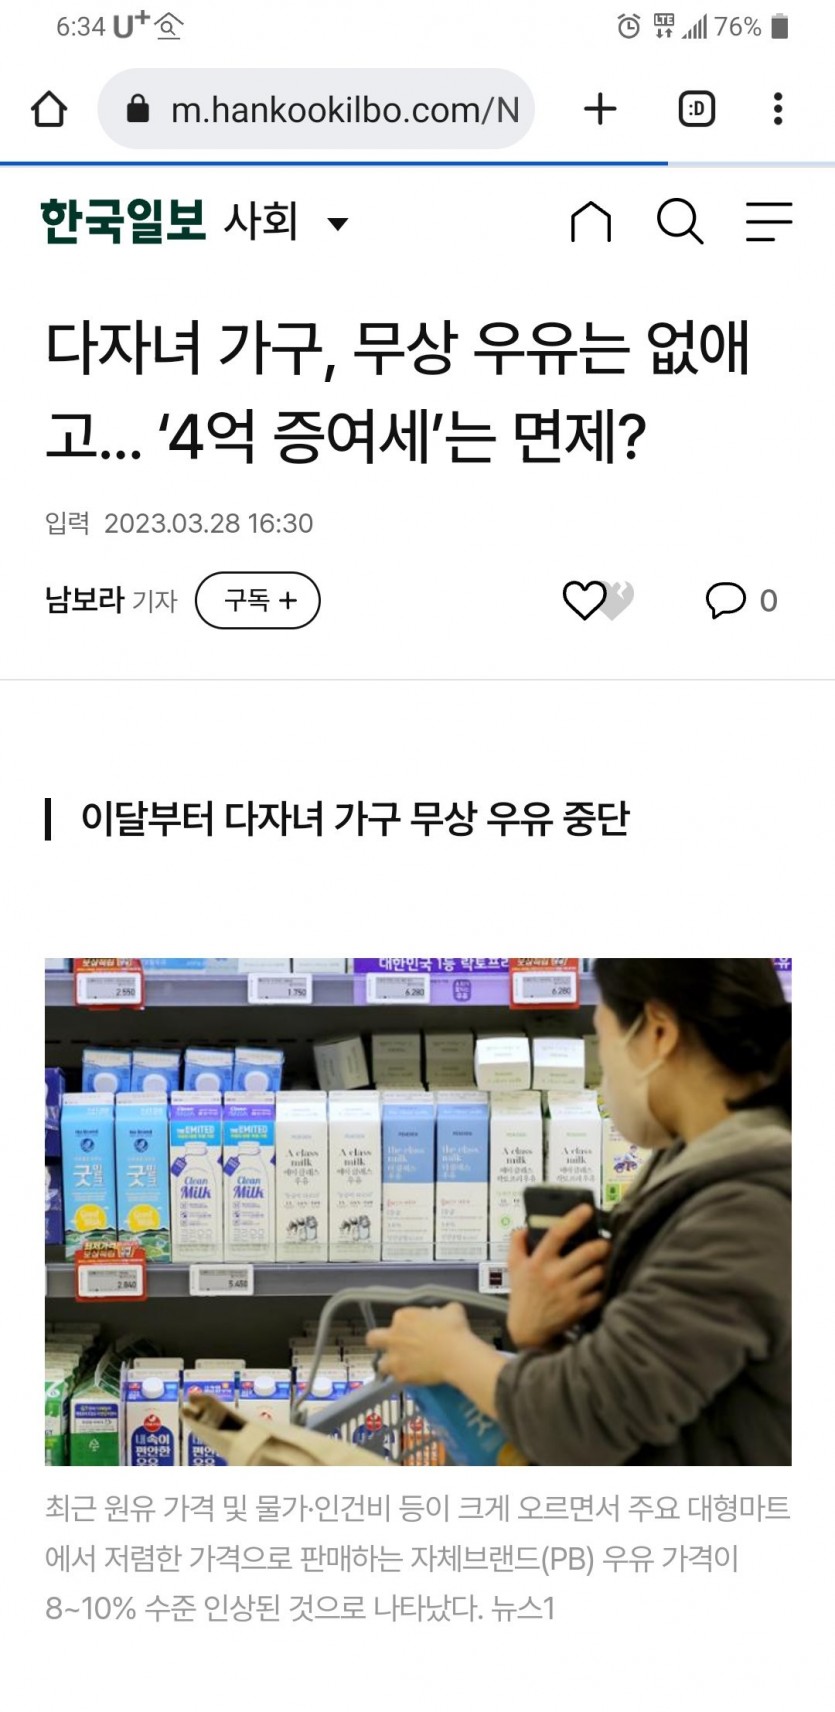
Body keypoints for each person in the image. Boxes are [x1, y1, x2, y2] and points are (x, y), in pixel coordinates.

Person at [367, 959, 791, 1465]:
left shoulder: (746, 1212)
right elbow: (652, 1382)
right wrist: (542, 1330)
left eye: (602, 1043)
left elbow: (589, 1417)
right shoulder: (696, 1162)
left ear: (658, 1033)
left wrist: (453, 1354)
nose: (606, 1074)